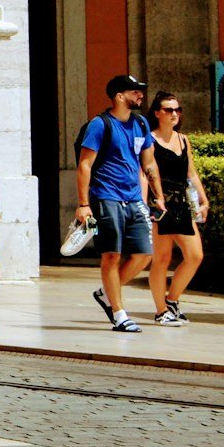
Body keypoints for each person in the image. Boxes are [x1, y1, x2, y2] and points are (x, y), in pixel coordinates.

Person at [73, 73, 166, 332]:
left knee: (143, 254)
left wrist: (158, 195)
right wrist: (83, 204)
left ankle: (105, 293)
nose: (140, 95)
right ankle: (119, 312)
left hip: (134, 198)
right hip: (106, 197)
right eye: (134, 91)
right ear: (119, 96)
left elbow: (148, 163)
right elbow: (85, 165)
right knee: (112, 255)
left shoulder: (141, 125)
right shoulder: (99, 125)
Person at [148, 91, 209, 326]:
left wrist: (204, 200)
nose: (174, 114)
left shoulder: (183, 140)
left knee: (195, 256)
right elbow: (147, 173)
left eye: (177, 110)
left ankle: (171, 300)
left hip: (181, 202)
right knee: (161, 259)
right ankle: (160, 311)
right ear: (157, 113)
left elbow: (190, 172)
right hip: (160, 203)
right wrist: (153, 201)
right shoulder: (149, 140)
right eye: (168, 110)